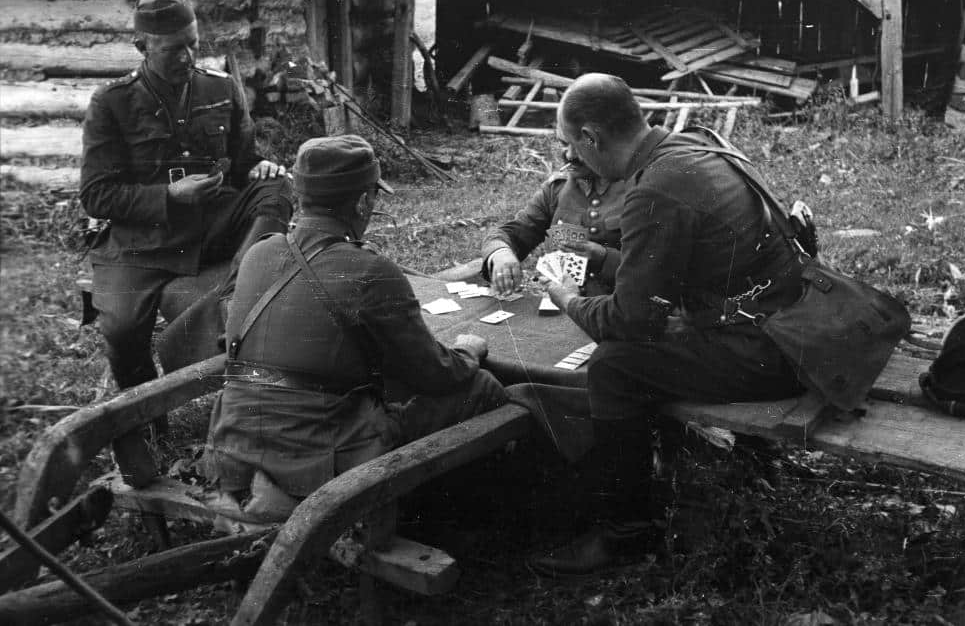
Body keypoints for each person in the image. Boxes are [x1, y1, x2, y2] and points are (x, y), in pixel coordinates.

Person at [533, 73, 805, 576]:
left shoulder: (656, 189)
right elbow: (675, 269)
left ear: (591, 138)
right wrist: (606, 264)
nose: (570, 159)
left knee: (614, 367)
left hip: (772, 350)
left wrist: (566, 296)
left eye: (570, 145)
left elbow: (630, 322)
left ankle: (625, 534)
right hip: (791, 324)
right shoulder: (694, 150)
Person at [202, 135, 508, 517]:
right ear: (364, 202)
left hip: (236, 435)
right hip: (317, 455)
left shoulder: (258, 253)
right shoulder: (370, 269)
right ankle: (442, 518)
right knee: (482, 387)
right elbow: (434, 374)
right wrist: (467, 350)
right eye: (373, 198)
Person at [79, 0, 292, 392]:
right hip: (139, 245)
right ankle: (141, 413)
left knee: (277, 189)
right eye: (172, 48)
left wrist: (262, 167)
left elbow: (245, 161)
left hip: (207, 228)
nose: (187, 56)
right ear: (142, 46)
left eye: (191, 43)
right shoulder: (111, 103)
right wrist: (169, 196)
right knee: (121, 330)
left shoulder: (221, 88)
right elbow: (96, 194)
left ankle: (236, 294)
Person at [481, 159, 627, 297]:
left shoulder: (636, 190)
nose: (569, 154)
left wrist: (604, 258)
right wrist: (501, 252)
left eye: (577, 145)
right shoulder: (557, 189)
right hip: (561, 306)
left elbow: (647, 271)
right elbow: (515, 231)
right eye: (565, 144)